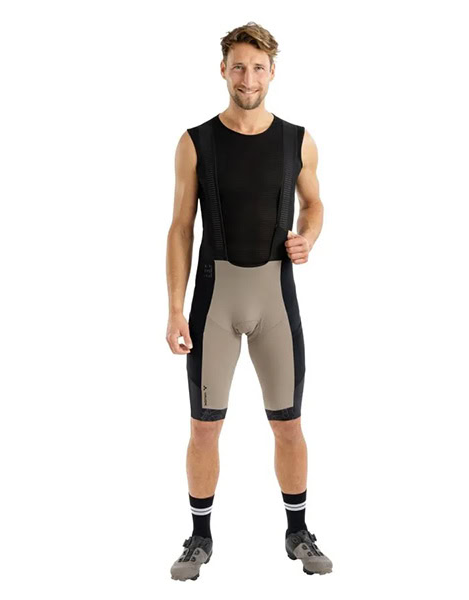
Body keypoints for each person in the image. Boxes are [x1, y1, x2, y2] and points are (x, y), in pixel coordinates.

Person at [165, 21, 331, 580]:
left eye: (258, 67)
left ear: (272, 72)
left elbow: (314, 204)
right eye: (238, 66)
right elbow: (180, 228)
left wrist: (308, 237)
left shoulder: (297, 140)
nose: (248, 77)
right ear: (223, 70)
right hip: (213, 303)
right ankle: (199, 538)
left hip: (275, 303)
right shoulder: (196, 142)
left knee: (288, 423)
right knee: (204, 427)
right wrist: (174, 308)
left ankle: (298, 532)